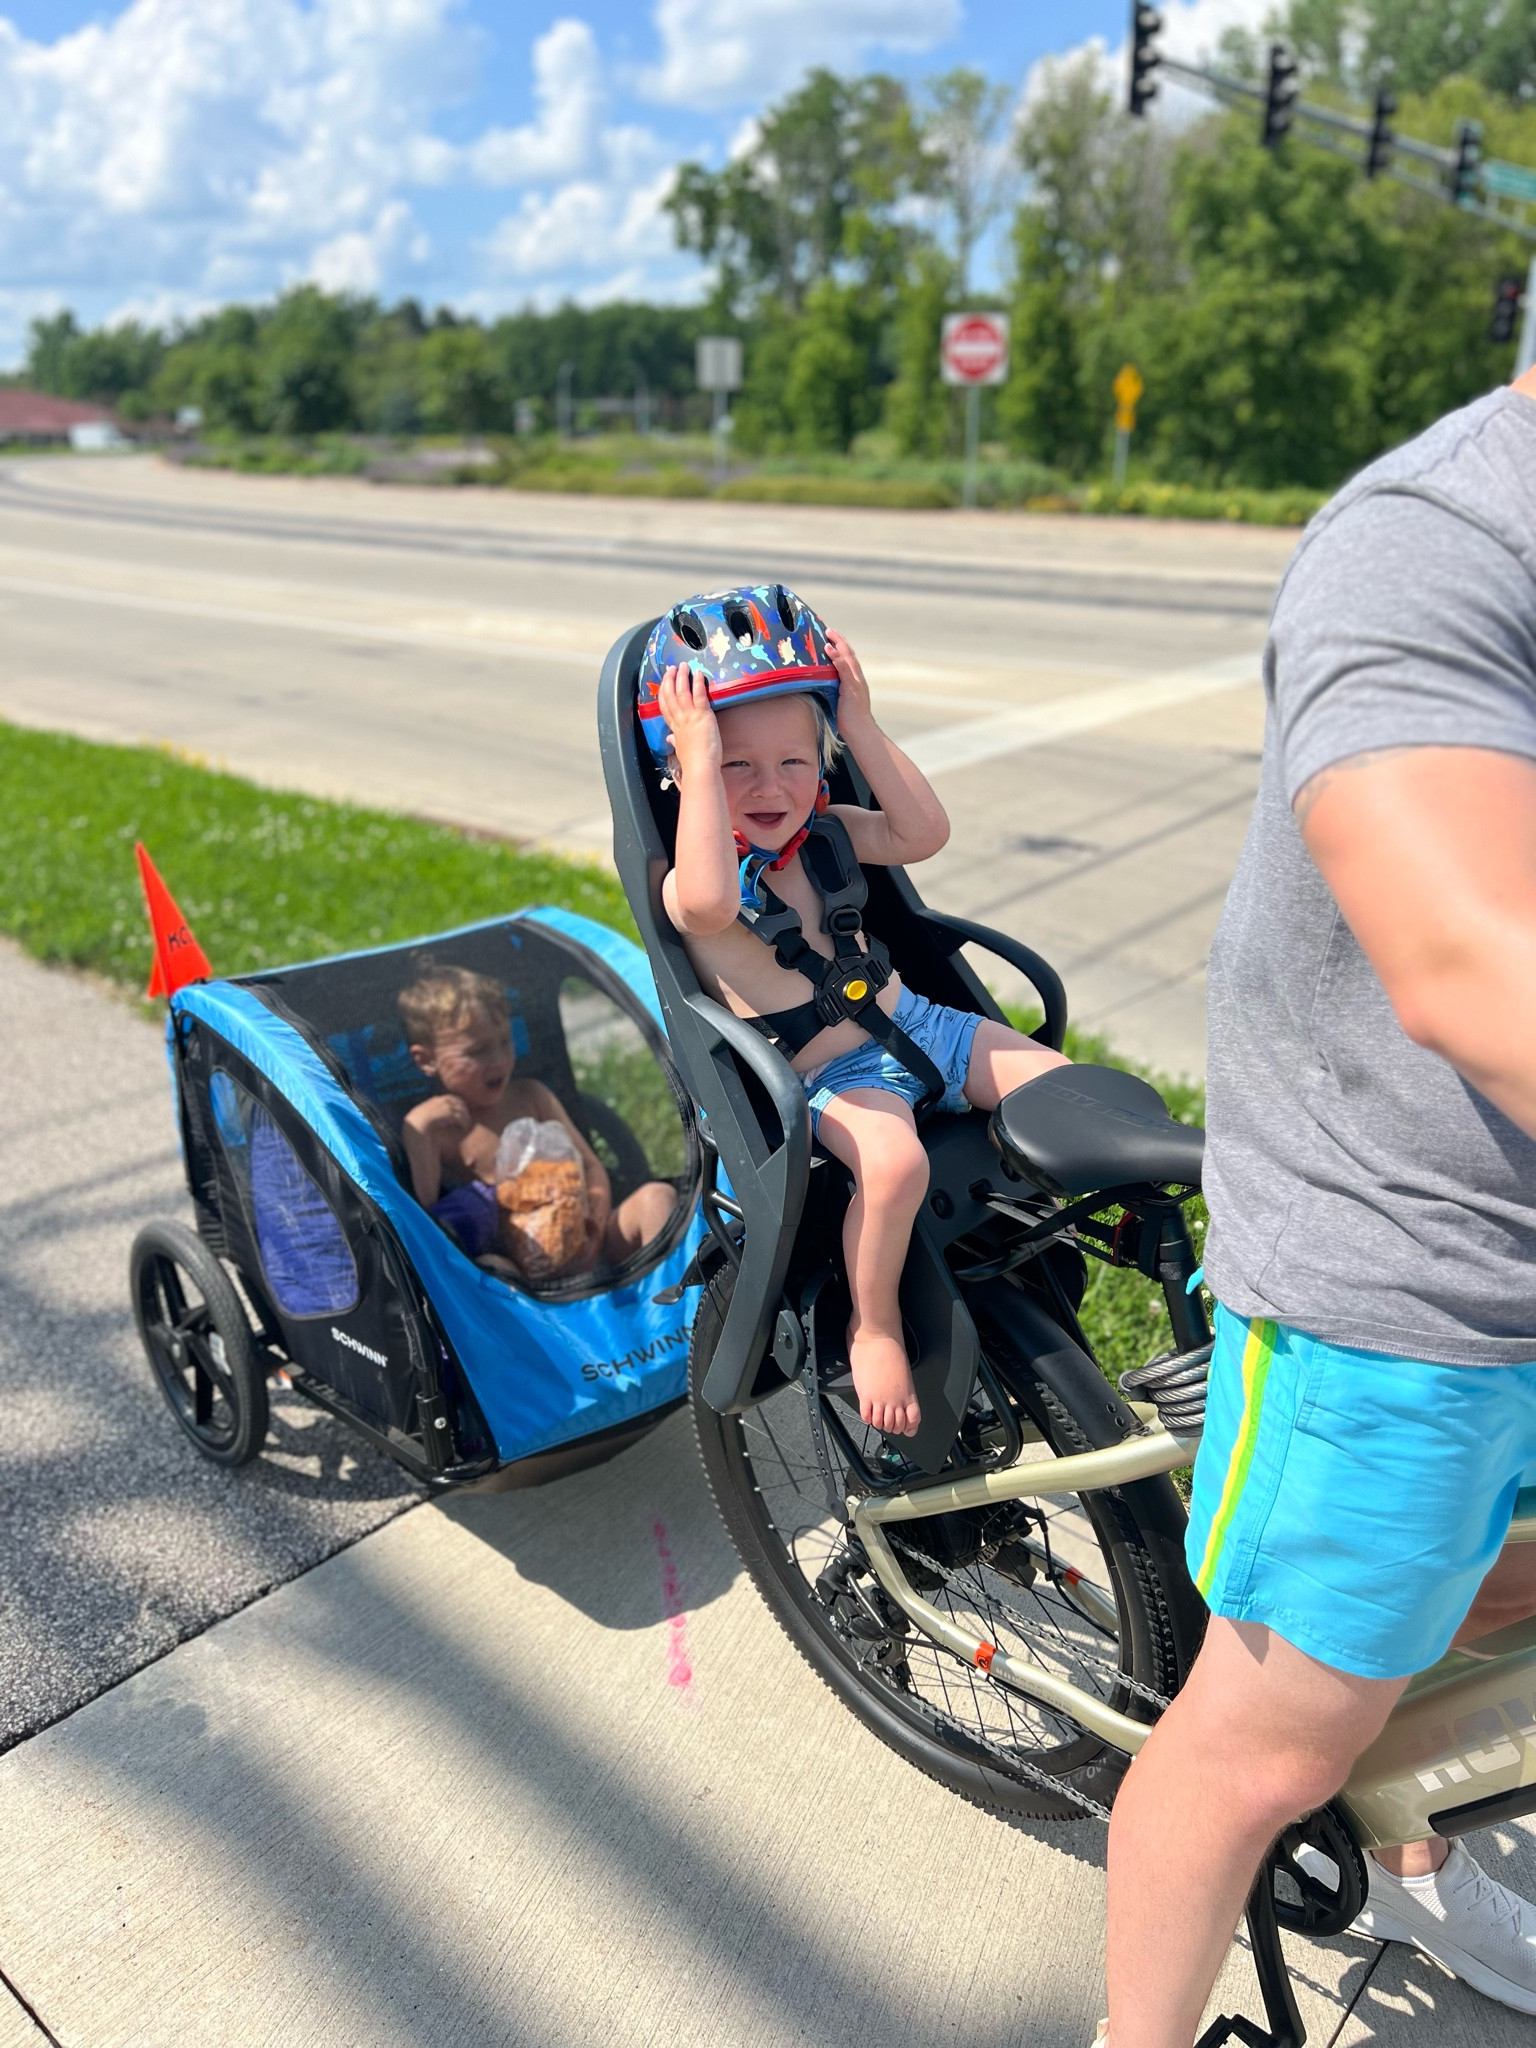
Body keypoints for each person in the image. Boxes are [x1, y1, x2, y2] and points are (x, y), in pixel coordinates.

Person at [1103, 365, 1536, 2045]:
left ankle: (1412, 1831)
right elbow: (1471, 963)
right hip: (1408, 1299)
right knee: (1264, 1746)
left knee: (1487, 1613)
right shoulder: (1438, 537)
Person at [650, 588, 1066, 1436]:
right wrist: (697, 761)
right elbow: (707, 903)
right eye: (735, 766)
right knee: (894, 1163)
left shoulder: (830, 833)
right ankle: (874, 1325)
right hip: (830, 1079)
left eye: (793, 762)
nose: (770, 786)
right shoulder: (696, 886)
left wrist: (860, 726)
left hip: (927, 1030)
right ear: (683, 772)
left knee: (1065, 1093)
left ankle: (1059, 1249)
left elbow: (922, 833)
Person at [397, 963, 674, 1276]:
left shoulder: (530, 1096)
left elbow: (589, 1166)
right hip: (522, 1277)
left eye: (505, 1041)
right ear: (426, 1060)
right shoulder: (440, 1129)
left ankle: (679, 1297)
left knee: (656, 1199)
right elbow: (423, 1220)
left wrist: (594, 1219)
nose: (498, 1059)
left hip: (585, 1239)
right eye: (477, 1051)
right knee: (491, 1267)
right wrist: (417, 1130)